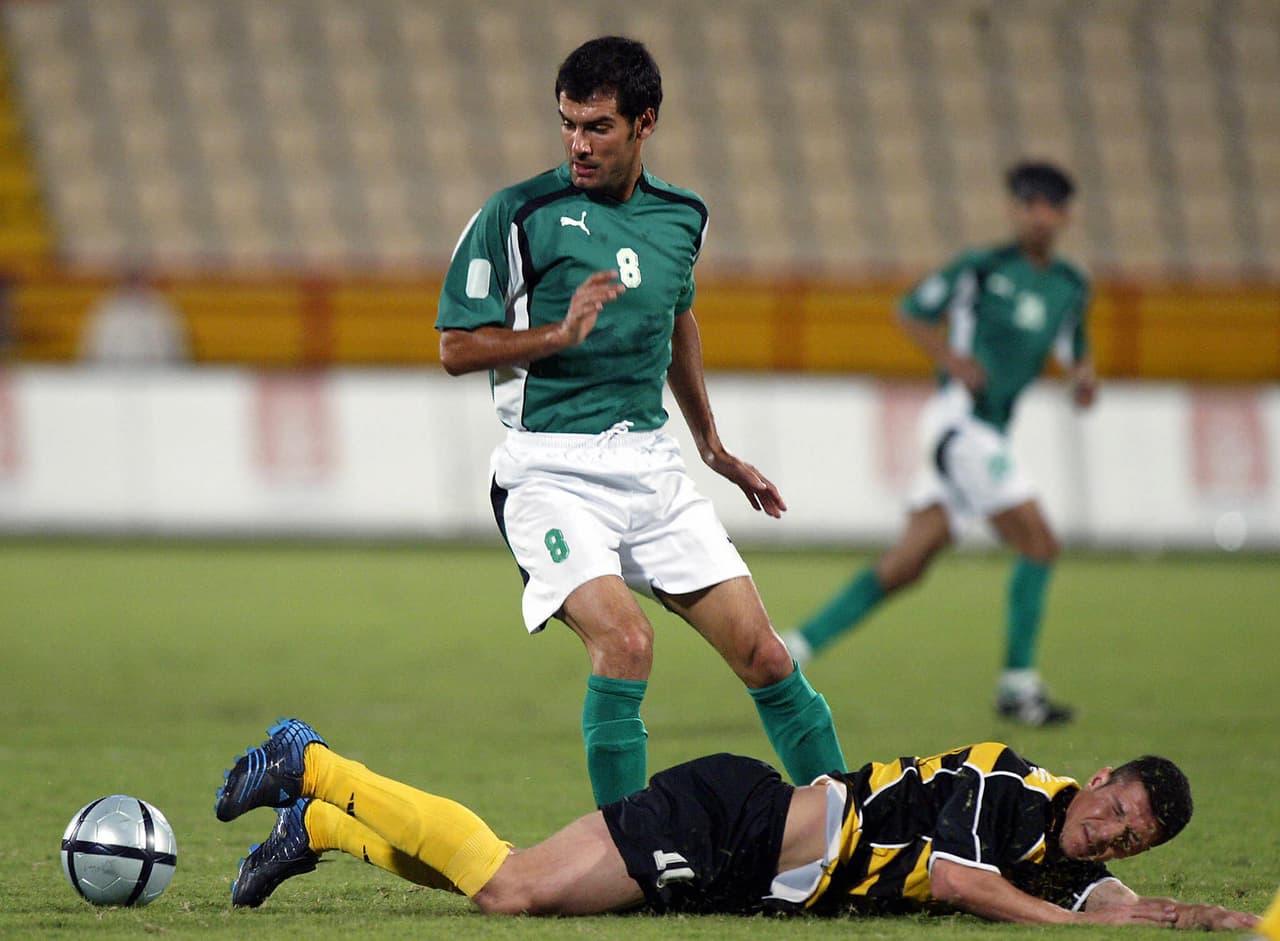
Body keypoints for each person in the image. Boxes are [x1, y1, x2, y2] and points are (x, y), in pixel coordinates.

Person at [434, 35, 844, 806]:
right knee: (625, 644)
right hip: (548, 472)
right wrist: (555, 337)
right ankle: (625, 853)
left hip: (649, 467)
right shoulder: (518, 214)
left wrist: (712, 446)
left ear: (644, 123)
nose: (578, 144)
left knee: (765, 654)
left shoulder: (683, 216)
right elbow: (457, 347)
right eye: (568, 125)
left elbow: (677, 319)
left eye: (598, 127)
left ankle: (856, 826)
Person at [213, 717, 1259, 930]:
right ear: (1102, 773)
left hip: (742, 870)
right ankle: (314, 760)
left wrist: (1205, 919)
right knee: (511, 883)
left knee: (519, 887)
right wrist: (1073, 926)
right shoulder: (1013, 785)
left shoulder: (1061, 852)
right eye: (1116, 806)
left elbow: (1116, 900)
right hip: (734, 816)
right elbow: (952, 878)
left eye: (1129, 836)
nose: (1109, 833)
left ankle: (326, 830)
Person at [783, 160, 1097, 727]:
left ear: (1065, 215)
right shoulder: (982, 268)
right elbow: (910, 310)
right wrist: (951, 359)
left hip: (987, 431)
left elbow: (1076, 353)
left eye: (1049, 205)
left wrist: (1083, 380)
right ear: (1014, 209)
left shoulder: (1070, 287)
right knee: (1040, 543)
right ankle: (1017, 686)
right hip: (960, 424)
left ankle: (793, 649)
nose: (1038, 215)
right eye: (1027, 203)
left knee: (907, 563)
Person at [79, 269, 190, 366]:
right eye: (132, 280)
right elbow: (92, 351)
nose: (135, 286)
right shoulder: (106, 309)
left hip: (157, 374)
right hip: (111, 375)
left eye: (138, 280)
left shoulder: (162, 309)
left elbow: (174, 351)